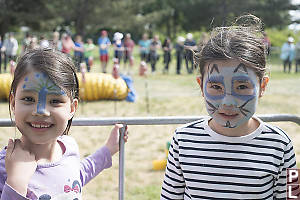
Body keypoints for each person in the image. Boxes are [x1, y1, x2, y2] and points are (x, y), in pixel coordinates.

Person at [161, 14, 297, 199]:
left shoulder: (282, 145)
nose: (228, 102)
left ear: (262, 86)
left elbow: (293, 196)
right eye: (216, 87)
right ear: (201, 86)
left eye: (242, 86)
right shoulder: (182, 140)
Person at [0, 48, 128, 199]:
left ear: (72, 108)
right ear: (13, 103)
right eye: (28, 99)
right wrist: (16, 182)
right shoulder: (4, 168)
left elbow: (74, 177)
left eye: (55, 101)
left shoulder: (69, 147)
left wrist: (108, 149)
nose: (40, 111)